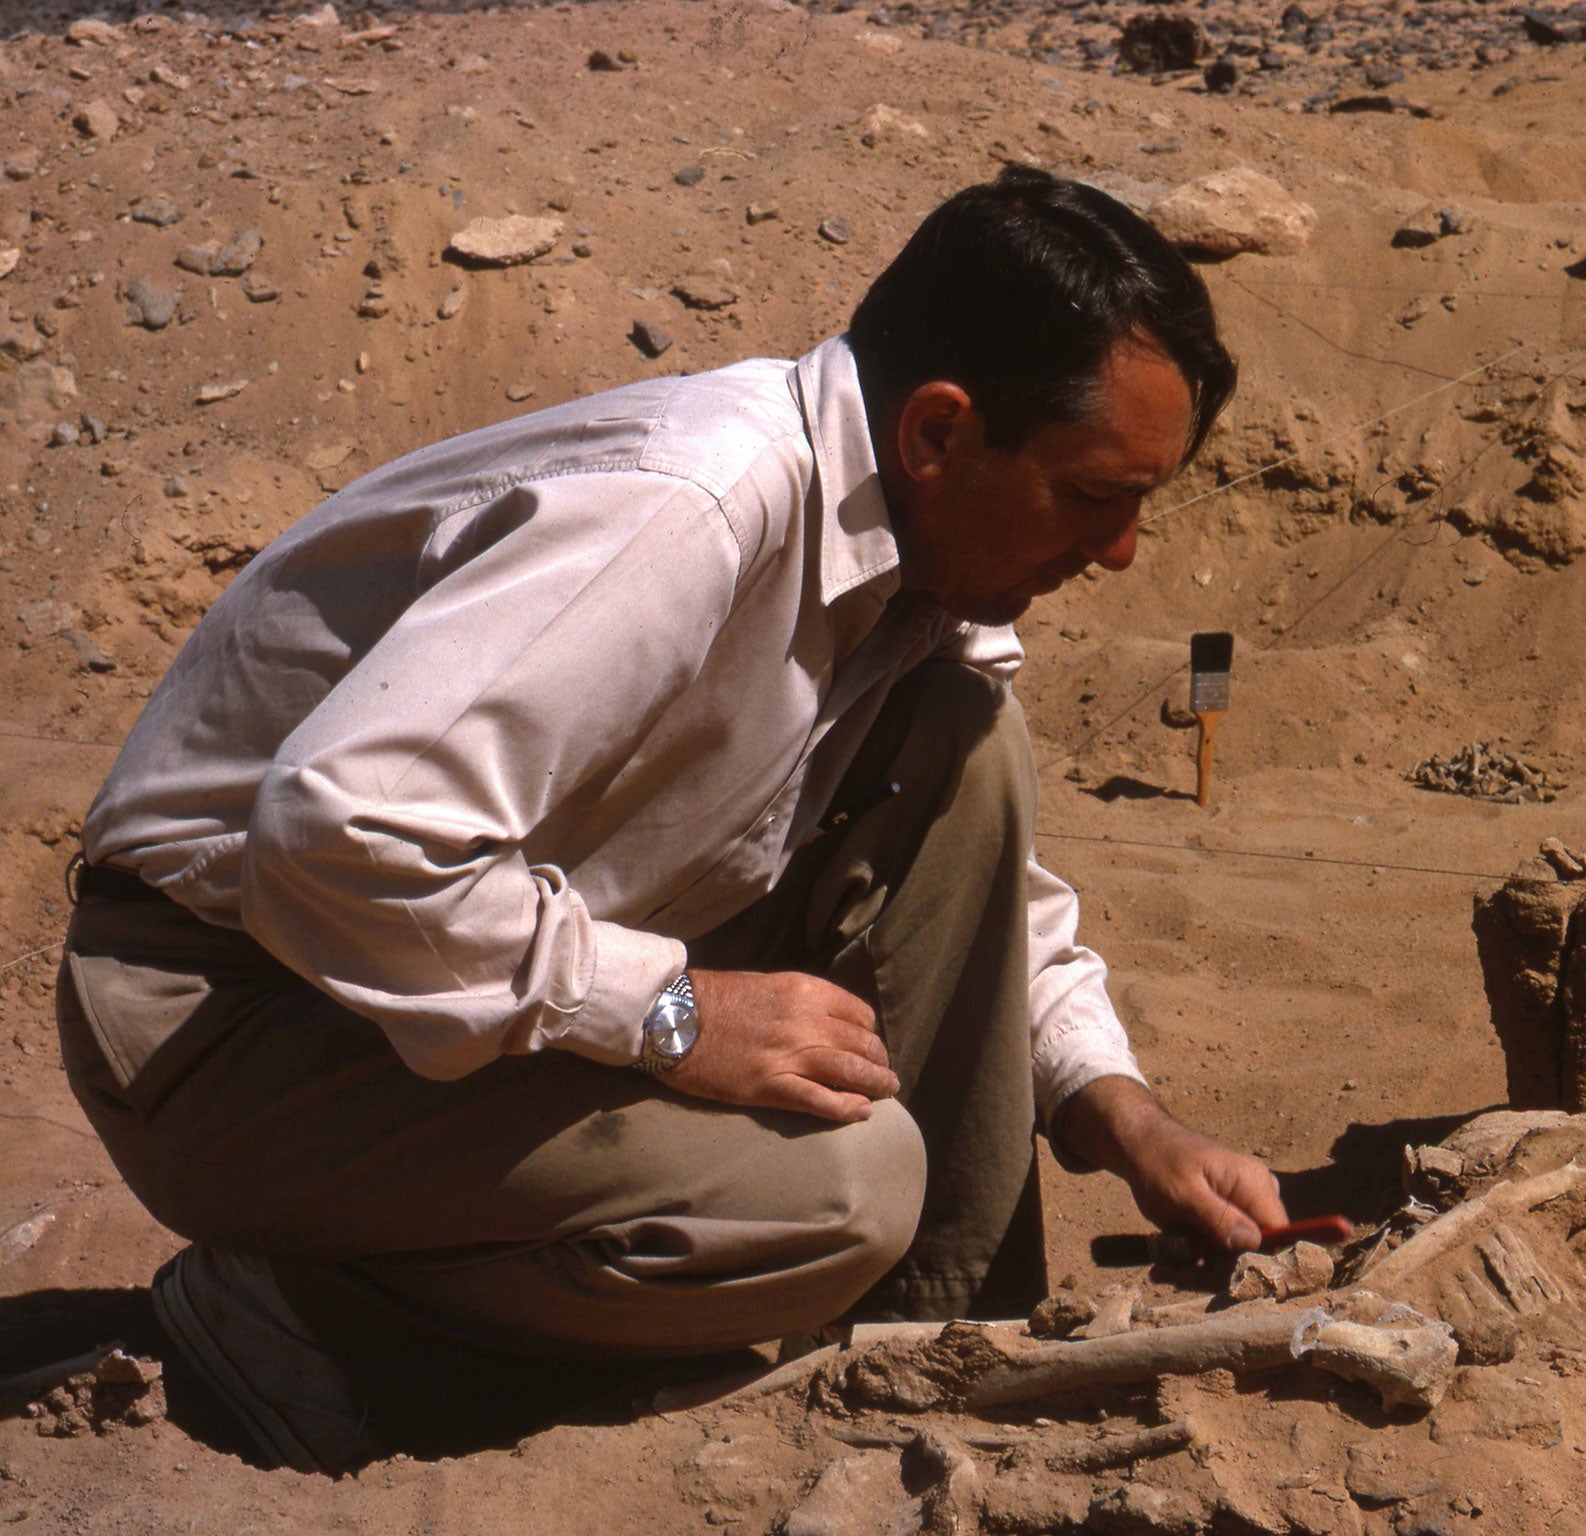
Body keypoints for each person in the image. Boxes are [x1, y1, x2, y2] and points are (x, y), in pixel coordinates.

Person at [55, 165, 1286, 1472]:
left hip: (446, 970)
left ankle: (943, 1358)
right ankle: (302, 1318)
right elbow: (342, 839)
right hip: (229, 1017)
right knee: (840, 1196)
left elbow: (975, 911)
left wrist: (1120, 1111)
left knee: (962, 744)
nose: (1123, 553)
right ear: (936, 435)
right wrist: (672, 1012)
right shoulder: (693, 506)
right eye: (1098, 496)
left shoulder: (918, 579)